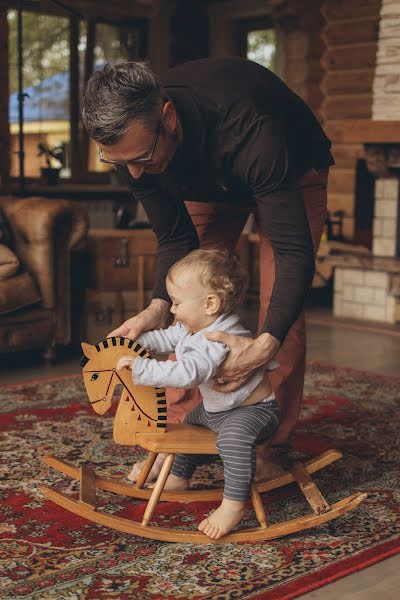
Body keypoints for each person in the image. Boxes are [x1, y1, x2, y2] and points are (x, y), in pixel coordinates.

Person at [82, 57, 332, 482]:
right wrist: (157, 309)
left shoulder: (251, 127)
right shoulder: (134, 154)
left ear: (167, 117)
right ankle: (183, 439)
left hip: (288, 167)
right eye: (118, 161)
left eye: (140, 157)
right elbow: (176, 240)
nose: (134, 173)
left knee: (280, 305)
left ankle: (267, 444)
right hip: (201, 177)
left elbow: (293, 253)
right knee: (189, 294)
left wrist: (263, 345)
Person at [116, 249, 281, 539]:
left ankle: (233, 504)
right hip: (219, 409)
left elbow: (187, 373)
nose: (172, 309)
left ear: (210, 303)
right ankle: (179, 476)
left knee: (233, 440)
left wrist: (143, 369)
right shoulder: (194, 325)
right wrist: (136, 341)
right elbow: (166, 338)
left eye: (177, 302)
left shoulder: (216, 339)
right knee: (189, 425)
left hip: (252, 411)